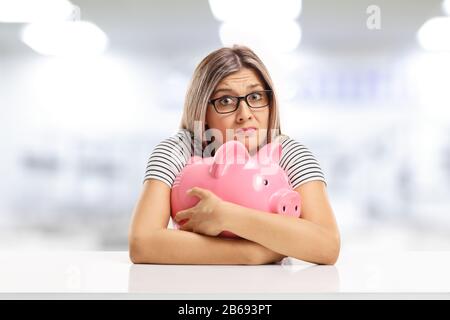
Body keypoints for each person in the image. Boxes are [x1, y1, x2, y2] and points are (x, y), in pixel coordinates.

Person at [128, 45, 340, 265]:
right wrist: (252, 254)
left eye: (256, 97)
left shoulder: (289, 155)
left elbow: (327, 246)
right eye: (225, 101)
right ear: (202, 110)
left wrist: (228, 216)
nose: (245, 114)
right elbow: (142, 243)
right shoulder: (176, 152)